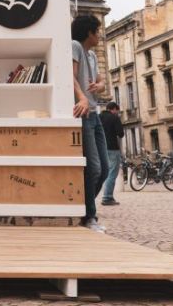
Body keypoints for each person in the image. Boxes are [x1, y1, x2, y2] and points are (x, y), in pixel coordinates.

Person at [72, 15, 108, 232]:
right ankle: (89, 216)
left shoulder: (93, 55)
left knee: (104, 169)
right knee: (93, 169)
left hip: (95, 114)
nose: (100, 35)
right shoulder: (75, 46)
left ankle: (83, 207)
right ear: (89, 32)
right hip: (83, 114)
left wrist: (100, 85)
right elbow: (71, 75)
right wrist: (82, 97)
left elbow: (102, 79)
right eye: (98, 30)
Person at [99, 101, 124, 206]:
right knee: (112, 172)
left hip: (100, 148)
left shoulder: (98, 117)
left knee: (104, 172)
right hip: (112, 148)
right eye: (116, 111)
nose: (116, 113)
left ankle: (105, 195)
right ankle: (107, 197)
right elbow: (121, 133)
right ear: (113, 109)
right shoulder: (114, 118)